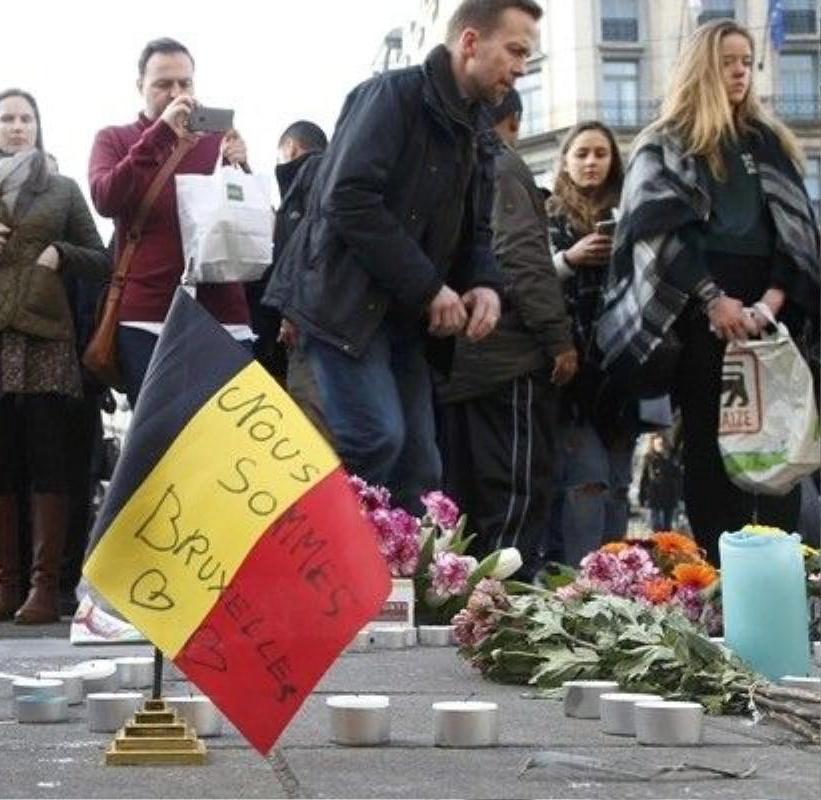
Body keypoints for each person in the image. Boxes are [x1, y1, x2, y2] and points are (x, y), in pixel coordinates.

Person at [265, 0, 538, 513]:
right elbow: (347, 199)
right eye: (516, 50)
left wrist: (485, 284)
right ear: (471, 43)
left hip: (404, 320)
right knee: (375, 440)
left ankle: (403, 591)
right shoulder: (390, 96)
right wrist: (430, 288)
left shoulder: (477, 129)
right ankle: (311, 565)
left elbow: (477, 228)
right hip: (340, 307)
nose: (522, 67)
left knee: (420, 469)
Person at [596, 19, 819, 563]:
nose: (741, 71)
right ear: (702, 67)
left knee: (781, 442)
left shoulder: (772, 143)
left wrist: (770, 302)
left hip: (771, 315)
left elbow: (796, 237)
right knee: (710, 446)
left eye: (747, 61)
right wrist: (712, 298)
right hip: (697, 314)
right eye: (728, 61)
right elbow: (656, 232)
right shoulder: (665, 141)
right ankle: (721, 579)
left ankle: (784, 571)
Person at [0, 88, 109, 624]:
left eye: (25, 118)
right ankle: (4, 585)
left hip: (43, 332)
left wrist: (60, 253)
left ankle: (44, 587)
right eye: (6, 118)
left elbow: (100, 259)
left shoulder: (61, 189)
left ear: (38, 126)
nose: (16, 127)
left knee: (46, 455)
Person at [439, 89, 576, 577]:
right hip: (508, 358)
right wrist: (558, 338)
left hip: (455, 358)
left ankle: (464, 610)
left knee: (463, 502)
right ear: (512, 121)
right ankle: (505, 609)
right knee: (515, 495)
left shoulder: (448, 158)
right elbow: (521, 258)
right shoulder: (502, 162)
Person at [89, 37, 252, 407]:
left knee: (226, 449)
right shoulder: (115, 139)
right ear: (140, 88)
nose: (177, 93)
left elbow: (245, 227)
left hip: (224, 316)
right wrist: (161, 132)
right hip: (148, 319)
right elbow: (105, 197)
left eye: (185, 83)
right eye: (163, 84)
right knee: (163, 448)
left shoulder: (217, 141)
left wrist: (241, 168)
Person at [544, 120, 634, 564]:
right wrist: (568, 259)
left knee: (618, 484)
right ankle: (579, 583)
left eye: (601, 153)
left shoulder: (635, 212)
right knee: (587, 478)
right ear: (565, 161)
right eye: (581, 153)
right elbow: (528, 280)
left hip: (624, 372)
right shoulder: (550, 214)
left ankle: (618, 584)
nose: (592, 161)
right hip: (572, 374)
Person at [258, 120, 331, 438]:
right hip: (333, 325)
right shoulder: (333, 176)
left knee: (310, 424)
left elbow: (303, 249)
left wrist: (291, 311)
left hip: (310, 326)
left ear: (290, 148)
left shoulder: (309, 175)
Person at [639, 432, 682, 531]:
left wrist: (679, 495)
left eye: (662, 439)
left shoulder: (672, 458)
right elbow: (644, 477)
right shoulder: (649, 458)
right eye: (657, 439)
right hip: (654, 495)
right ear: (652, 442)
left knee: (667, 526)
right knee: (656, 525)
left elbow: (678, 477)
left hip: (670, 495)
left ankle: (665, 544)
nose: (660, 441)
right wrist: (642, 496)